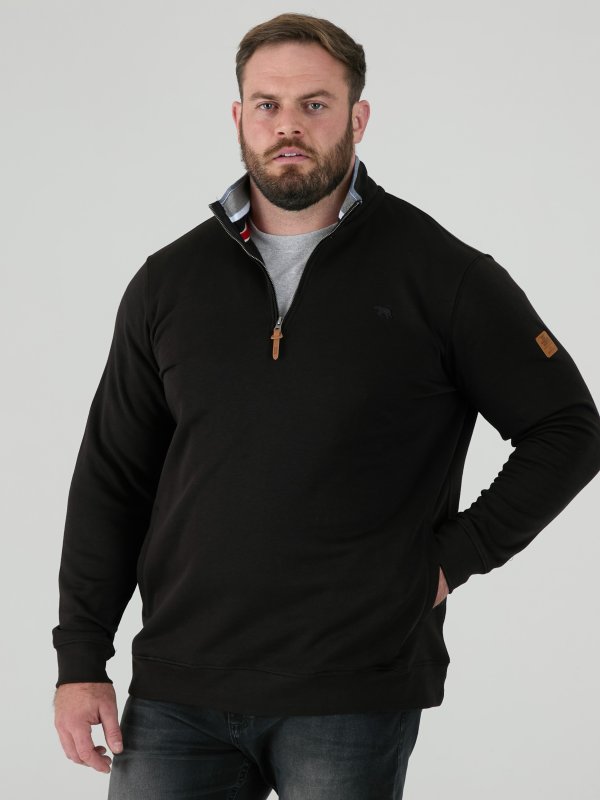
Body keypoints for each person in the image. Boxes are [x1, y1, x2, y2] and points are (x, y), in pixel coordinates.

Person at [52, 12, 600, 800]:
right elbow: (114, 477)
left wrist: (450, 560)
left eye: (315, 104)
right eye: (267, 105)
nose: (289, 126)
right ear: (239, 117)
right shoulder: (168, 282)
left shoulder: (441, 275)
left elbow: (569, 429)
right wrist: (80, 660)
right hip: (179, 689)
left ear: (357, 118)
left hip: (352, 688)